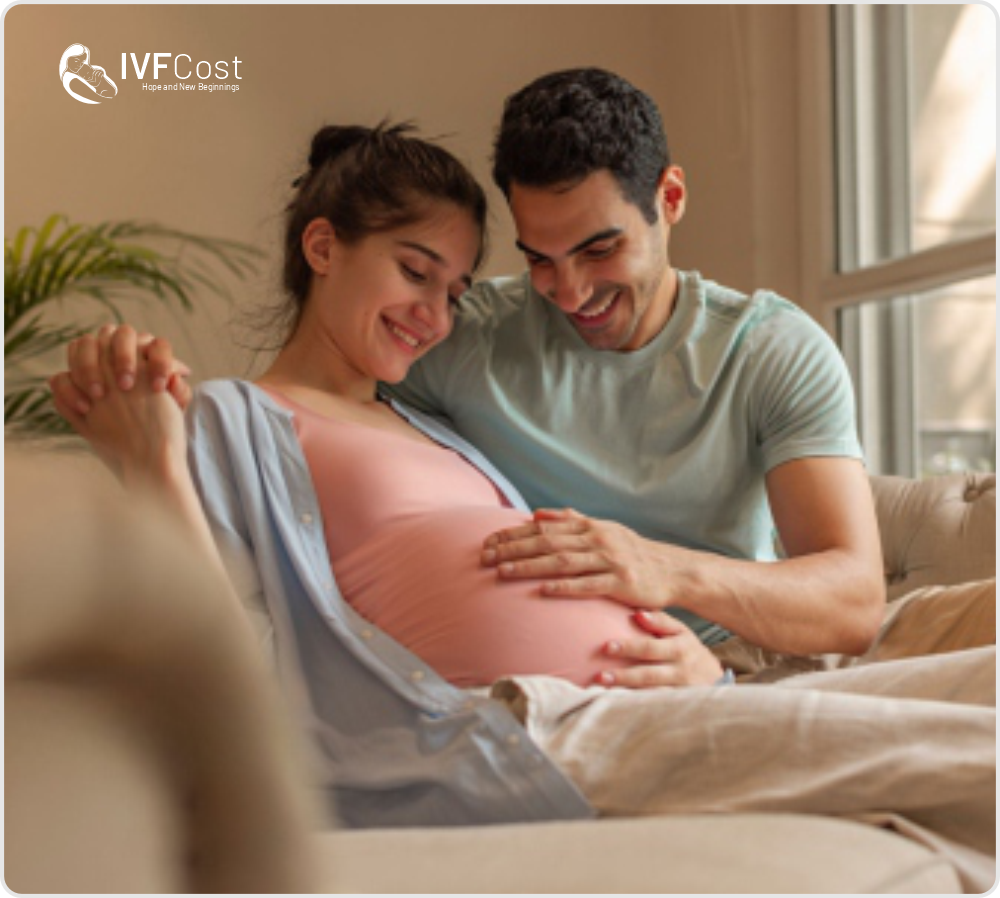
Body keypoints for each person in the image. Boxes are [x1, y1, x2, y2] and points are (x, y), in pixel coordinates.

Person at [50, 97, 994, 889]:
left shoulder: (424, 411)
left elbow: (845, 594)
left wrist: (696, 649)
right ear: (323, 246)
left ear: (668, 202)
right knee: (966, 754)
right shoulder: (232, 419)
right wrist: (150, 460)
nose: (435, 315)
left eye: (457, 289)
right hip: (534, 723)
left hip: (676, 686)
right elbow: (214, 660)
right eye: (416, 272)